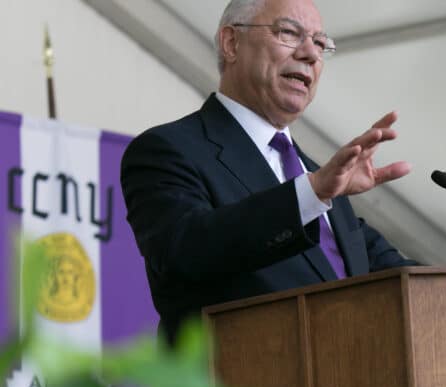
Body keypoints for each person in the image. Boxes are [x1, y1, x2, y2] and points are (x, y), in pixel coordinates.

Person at [121, 0, 416, 346]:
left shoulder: (320, 177)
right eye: (290, 33)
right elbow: (186, 252)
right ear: (232, 43)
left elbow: (398, 276)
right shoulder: (168, 150)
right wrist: (311, 194)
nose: (311, 54)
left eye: (320, 43)